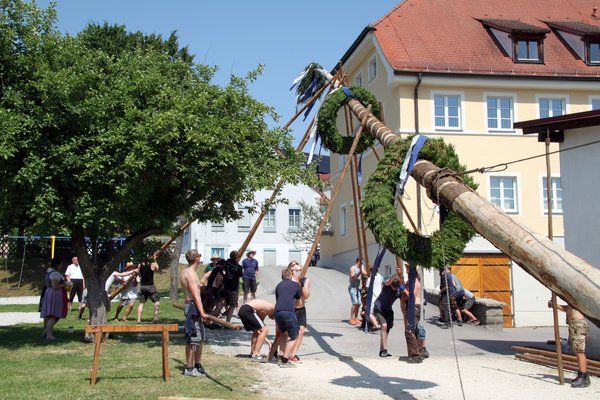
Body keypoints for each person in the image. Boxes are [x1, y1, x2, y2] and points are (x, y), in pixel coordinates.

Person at [548, 299, 591, 388]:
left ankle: (583, 377)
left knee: (579, 351)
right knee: (577, 351)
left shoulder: (576, 298)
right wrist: (555, 305)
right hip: (574, 325)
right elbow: (568, 309)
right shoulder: (571, 300)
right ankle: (582, 375)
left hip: (578, 325)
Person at [180, 249, 208, 377]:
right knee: (193, 338)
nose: (200, 259)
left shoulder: (185, 271)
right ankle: (190, 369)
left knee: (200, 337)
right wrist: (202, 313)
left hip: (191, 305)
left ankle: (197, 365)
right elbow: (196, 296)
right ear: (196, 259)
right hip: (193, 307)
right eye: (199, 257)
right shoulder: (190, 274)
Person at [274, 266, 302, 367]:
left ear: (282, 277)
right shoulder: (296, 285)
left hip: (277, 312)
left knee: (284, 334)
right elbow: (298, 298)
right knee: (294, 336)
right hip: (288, 312)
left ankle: (281, 356)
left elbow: (278, 298)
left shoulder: (278, 285)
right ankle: (285, 361)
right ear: (291, 276)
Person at [401, 266, 429, 363]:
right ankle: (419, 352)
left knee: (409, 330)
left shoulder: (415, 281)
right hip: (412, 307)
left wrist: (404, 289)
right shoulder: (411, 281)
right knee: (414, 330)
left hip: (415, 307)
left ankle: (416, 355)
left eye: (408, 269)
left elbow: (411, 295)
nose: (406, 271)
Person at [374, 275, 403, 357]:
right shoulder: (386, 287)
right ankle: (385, 350)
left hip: (388, 310)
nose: (395, 288)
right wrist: (397, 274)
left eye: (396, 287)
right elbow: (389, 281)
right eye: (393, 286)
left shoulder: (398, 291)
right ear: (391, 285)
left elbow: (404, 301)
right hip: (379, 308)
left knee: (387, 330)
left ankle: (382, 350)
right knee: (384, 325)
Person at [40, 258, 68, 340]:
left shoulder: (49, 272)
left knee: (50, 315)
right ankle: (49, 335)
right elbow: (55, 286)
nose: (61, 266)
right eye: (60, 264)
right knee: (55, 315)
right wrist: (65, 284)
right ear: (57, 265)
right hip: (54, 294)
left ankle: (45, 333)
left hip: (50, 293)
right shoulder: (54, 274)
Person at [289, 261, 311, 362]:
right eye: (293, 266)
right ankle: (284, 353)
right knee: (289, 333)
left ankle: (293, 354)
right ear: (291, 269)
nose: (296, 268)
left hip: (301, 309)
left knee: (301, 332)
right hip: (290, 309)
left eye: (297, 265)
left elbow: (306, 296)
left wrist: (302, 284)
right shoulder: (288, 280)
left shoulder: (305, 280)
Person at [136, 259, 160, 324]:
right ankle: (155, 318)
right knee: (156, 302)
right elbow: (157, 268)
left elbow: (139, 273)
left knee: (141, 303)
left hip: (143, 287)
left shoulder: (139, 265)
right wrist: (155, 260)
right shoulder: (152, 265)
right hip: (150, 286)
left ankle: (138, 320)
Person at [222, 251, 243, 322]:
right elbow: (240, 275)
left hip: (225, 285)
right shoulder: (239, 267)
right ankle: (227, 322)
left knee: (225, 302)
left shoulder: (226, 263)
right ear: (237, 258)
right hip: (233, 287)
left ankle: (226, 313)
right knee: (233, 305)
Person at [348, 257, 363, 325]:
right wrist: (359, 273)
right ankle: (351, 319)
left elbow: (365, 274)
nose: (362, 263)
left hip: (358, 288)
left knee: (359, 303)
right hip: (352, 288)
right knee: (355, 303)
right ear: (358, 261)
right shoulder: (353, 268)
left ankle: (355, 318)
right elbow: (352, 277)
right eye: (362, 262)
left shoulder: (361, 268)